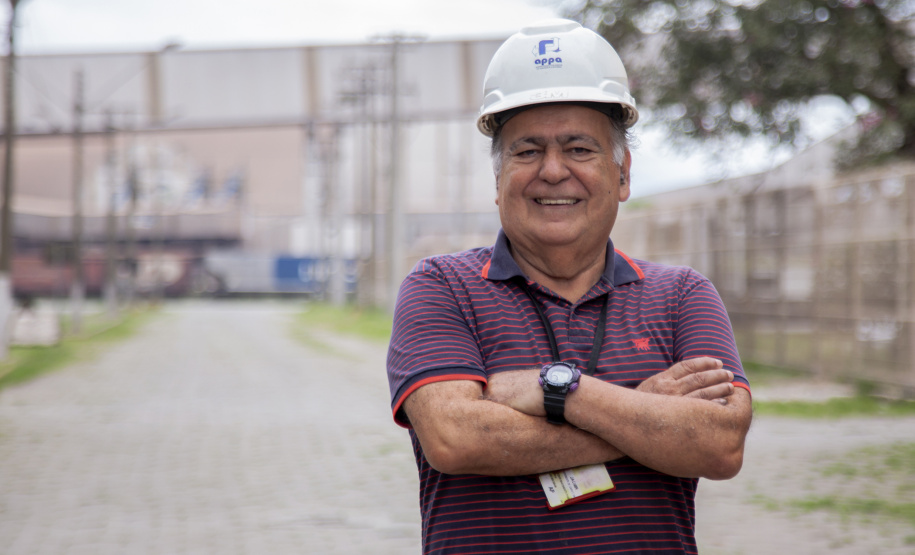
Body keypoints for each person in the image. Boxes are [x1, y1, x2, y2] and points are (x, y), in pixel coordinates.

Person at [387, 18, 752, 554]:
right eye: (527, 150)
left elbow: (719, 445)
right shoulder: (442, 287)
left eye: (579, 149)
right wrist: (645, 413)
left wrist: (555, 389)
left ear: (622, 174)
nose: (553, 171)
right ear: (497, 179)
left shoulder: (683, 296)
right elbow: (455, 438)